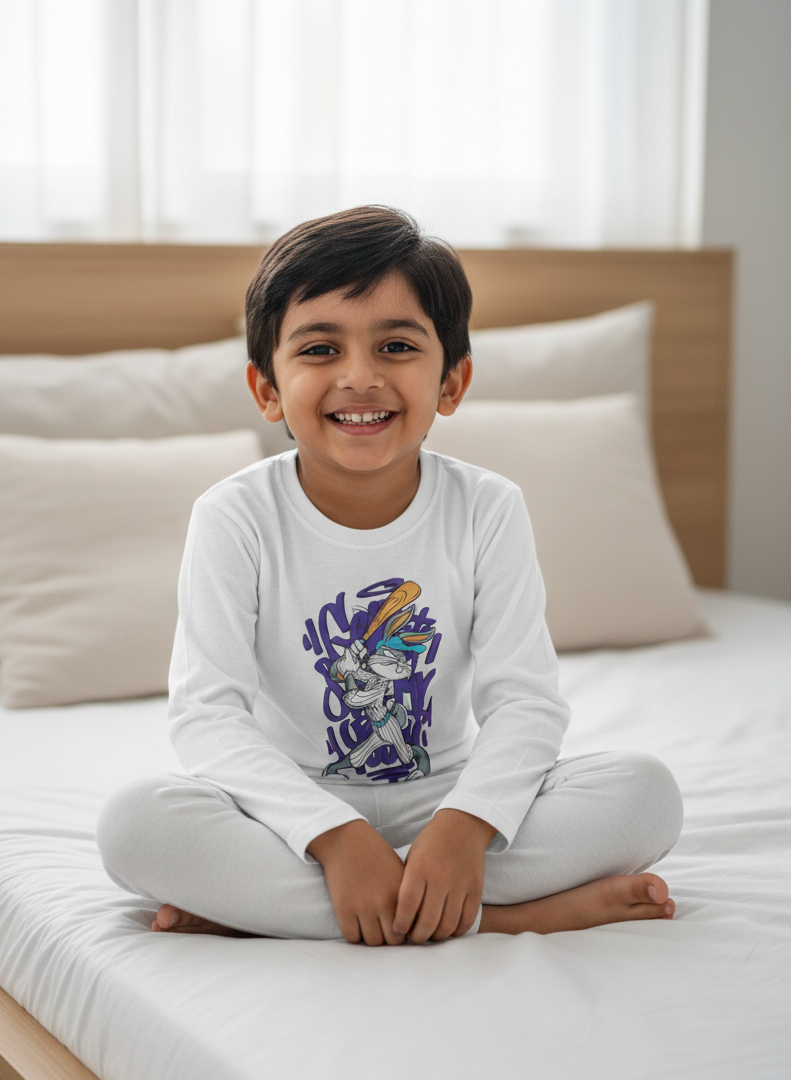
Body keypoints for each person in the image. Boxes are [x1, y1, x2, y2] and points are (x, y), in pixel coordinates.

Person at [97, 206, 683, 946]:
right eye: (319, 349)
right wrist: (333, 836)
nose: (360, 377)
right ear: (267, 388)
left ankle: (302, 910)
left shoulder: (487, 508)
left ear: (452, 381)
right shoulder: (234, 516)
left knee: (645, 793)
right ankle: (501, 916)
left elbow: (525, 702)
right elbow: (208, 717)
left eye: (397, 345)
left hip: (447, 801)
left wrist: (466, 828)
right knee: (135, 824)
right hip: (290, 819)